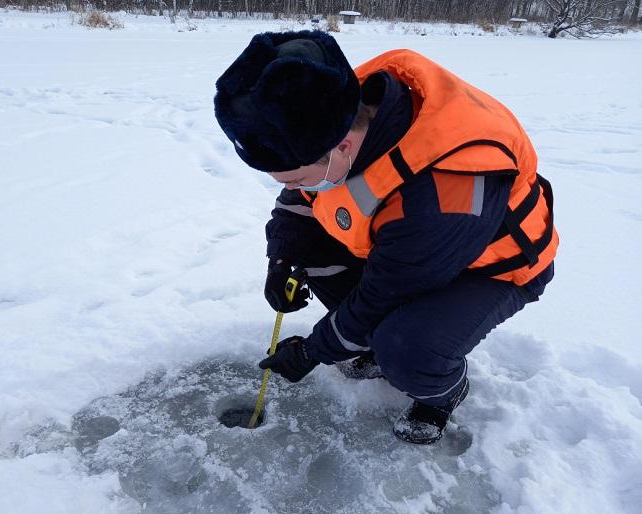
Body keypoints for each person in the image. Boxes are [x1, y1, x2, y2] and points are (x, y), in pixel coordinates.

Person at [214, 31, 558, 444]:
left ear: (342, 146)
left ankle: (443, 392)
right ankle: (370, 348)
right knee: (312, 250)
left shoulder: (446, 190)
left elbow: (383, 296)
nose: (291, 185)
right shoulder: (336, 110)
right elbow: (300, 197)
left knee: (404, 345)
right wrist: (283, 259)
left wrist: (313, 351)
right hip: (408, 250)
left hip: (493, 268)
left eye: (297, 175)